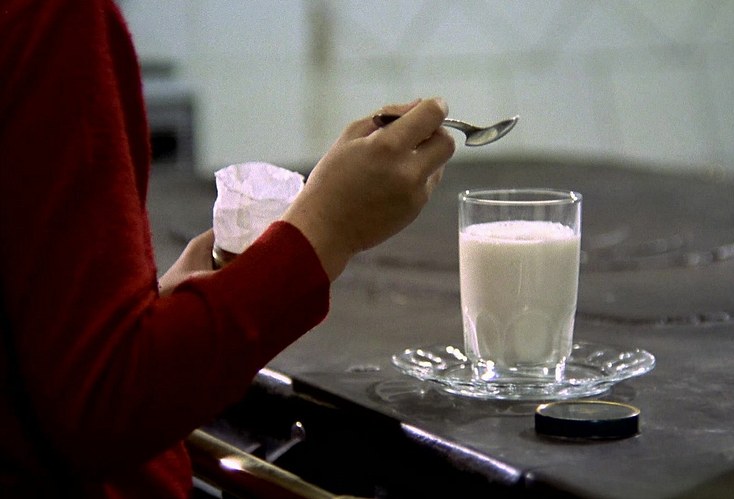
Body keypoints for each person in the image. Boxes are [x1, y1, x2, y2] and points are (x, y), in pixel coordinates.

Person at [0, 0, 455, 497]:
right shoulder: (52, 16)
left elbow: (41, 361)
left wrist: (160, 308)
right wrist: (326, 230)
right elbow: (102, 407)